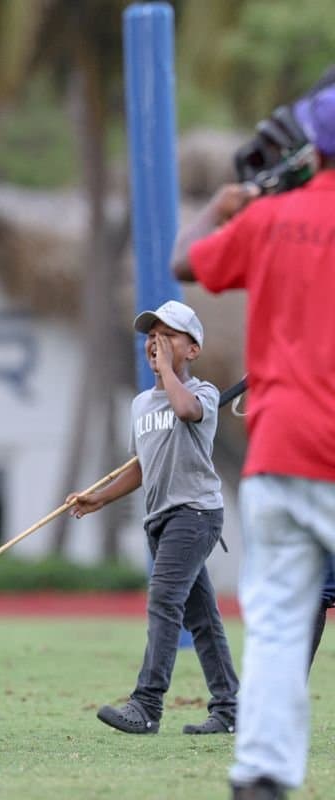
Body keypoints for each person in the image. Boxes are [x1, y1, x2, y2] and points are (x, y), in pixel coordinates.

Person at [171, 78, 335, 800]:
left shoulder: (270, 220)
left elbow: (185, 262)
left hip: (279, 452)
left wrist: (222, 206)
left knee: (274, 621)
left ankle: (262, 778)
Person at [66, 300, 239, 736]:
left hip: (196, 513)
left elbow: (184, 411)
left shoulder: (202, 394)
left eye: (168, 336)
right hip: (160, 518)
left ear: (192, 349)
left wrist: (166, 373)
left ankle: (146, 705)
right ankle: (230, 709)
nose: (155, 342)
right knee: (202, 618)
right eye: (151, 336)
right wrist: (99, 498)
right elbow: (141, 466)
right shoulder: (142, 404)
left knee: (164, 601)